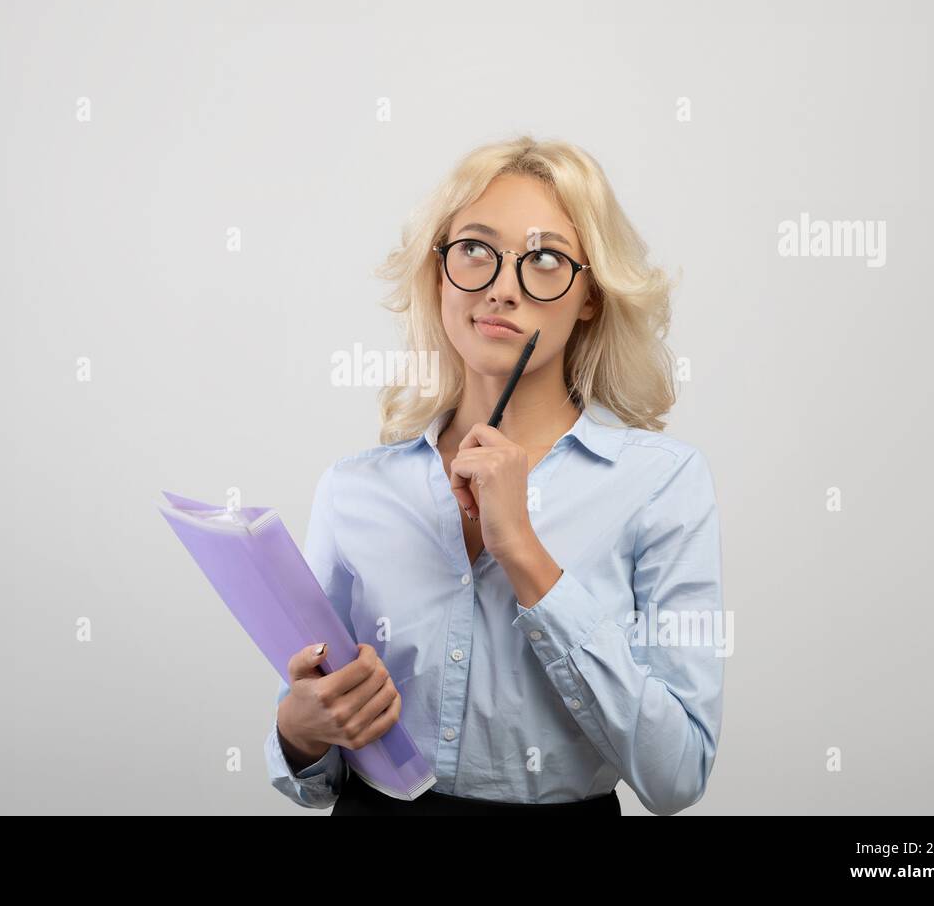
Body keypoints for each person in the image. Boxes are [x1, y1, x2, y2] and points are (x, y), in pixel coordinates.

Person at [264, 134, 725, 815]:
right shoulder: (353, 490)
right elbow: (318, 775)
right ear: (441, 272)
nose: (503, 289)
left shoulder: (661, 484)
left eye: (543, 259)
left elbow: (678, 775)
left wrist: (524, 553)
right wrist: (298, 732)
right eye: (475, 250)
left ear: (590, 294)